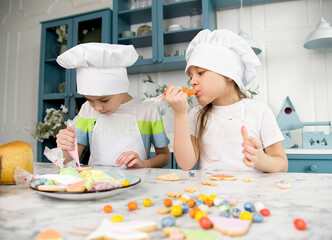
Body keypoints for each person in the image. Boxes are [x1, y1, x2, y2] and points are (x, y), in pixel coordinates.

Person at [164, 29, 288, 172]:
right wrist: (179, 114)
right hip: (209, 194)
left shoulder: (259, 111)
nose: (192, 82)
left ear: (229, 74)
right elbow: (186, 164)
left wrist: (261, 160)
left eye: (200, 73)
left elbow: (282, 164)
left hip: (251, 193)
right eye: (191, 76)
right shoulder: (196, 114)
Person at [56, 43, 170, 168]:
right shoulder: (87, 110)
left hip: (138, 184)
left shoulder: (148, 111)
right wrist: (64, 146)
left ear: (122, 87)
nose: (97, 107)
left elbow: (165, 157)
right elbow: (69, 161)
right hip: (97, 183)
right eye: (89, 100)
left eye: (104, 100)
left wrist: (143, 163)